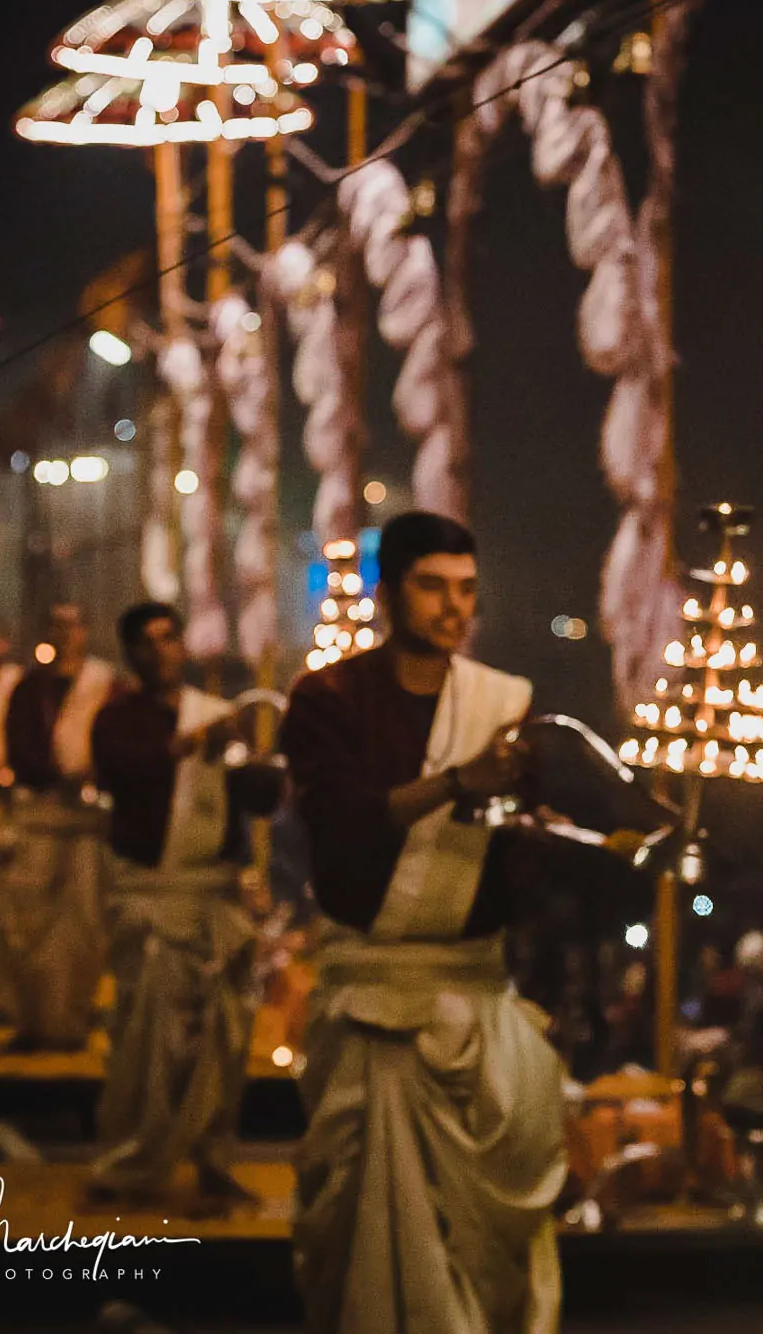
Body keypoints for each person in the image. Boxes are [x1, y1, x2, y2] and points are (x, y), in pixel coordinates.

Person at [278, 511, 565, 1334]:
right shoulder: (327, 699)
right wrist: (454, 783)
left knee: (486, 1230)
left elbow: (515, 849)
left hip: (474, 995)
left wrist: (529, 834)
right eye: (432, 587)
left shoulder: (501, 702)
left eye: (467, 589)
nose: (453, 608)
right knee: (366, 1223)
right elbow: (340, 821)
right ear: (390, 591)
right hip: (373, 1001)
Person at [87, 601, 280, 1206]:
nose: (159, 650)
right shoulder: (117, 718)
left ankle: (214, 1160)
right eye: (145, 642)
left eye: (168, 638)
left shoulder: (217, 716)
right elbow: (123, 775)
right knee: (149, 1038)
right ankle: (132, 1162)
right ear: (132, 654)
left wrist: (255, 751)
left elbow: (261, 799)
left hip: (212, 899)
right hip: (151, 897)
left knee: (222, 1040)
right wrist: (189, 743)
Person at [0, 602, 116, 1051]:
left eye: (71, 625)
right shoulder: (29, 689)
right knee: (27, 924)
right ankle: (34, 1020)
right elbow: (19, 746)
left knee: (82, 926)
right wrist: (48, 778)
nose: (63, 634)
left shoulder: (102, 685)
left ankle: (70, 1020)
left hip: (85, 826)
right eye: (55, 625)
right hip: (38, 821)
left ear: (85, 631)